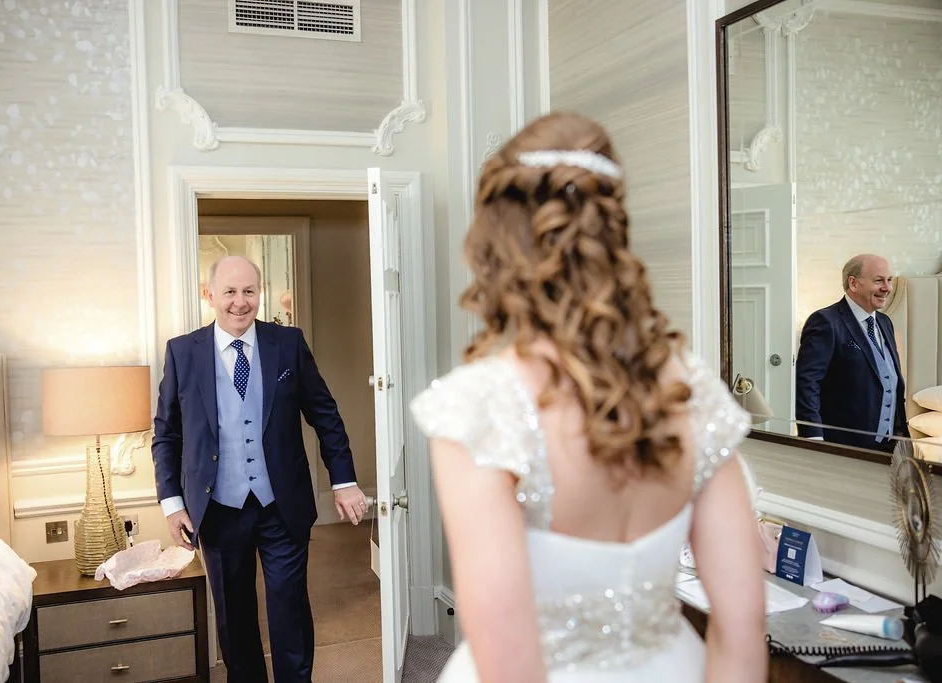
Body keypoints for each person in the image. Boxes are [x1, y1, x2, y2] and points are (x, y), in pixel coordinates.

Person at [410, 112, 767, 682]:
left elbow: (509, 668)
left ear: (496, 244)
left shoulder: (480, 408)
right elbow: (744, 629)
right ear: (611, 228)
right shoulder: (691, 391)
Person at [152, 255, 368, 683]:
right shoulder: (182, 352)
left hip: (280, 504)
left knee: (289, 606)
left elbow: (325, 415)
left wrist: (344, 481)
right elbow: (166, 433)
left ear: (260, 293)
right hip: (217, 507)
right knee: (233, 616)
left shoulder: (287, 343)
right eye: (229, 292)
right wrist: (172, 502)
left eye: (249, 291)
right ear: (208, 295)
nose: (239, 302)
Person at [794, 254, 908, 452]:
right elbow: (807, 384)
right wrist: (812, 438)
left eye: (889, 280)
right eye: (879, 280)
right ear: (853, 283)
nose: (888, 288)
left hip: (890, 445)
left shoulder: (884, 322)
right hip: (842, 445)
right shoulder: (825, 321)